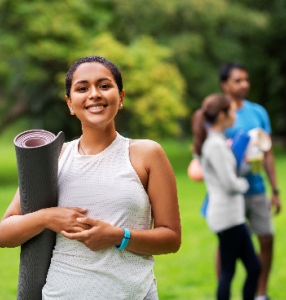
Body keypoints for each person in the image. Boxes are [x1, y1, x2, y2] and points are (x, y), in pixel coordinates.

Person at [0, 56, 181, 299]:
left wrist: (118, 236)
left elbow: (171, 238)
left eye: (104, 86)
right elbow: (4, 233)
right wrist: (47, 217)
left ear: (121, 97)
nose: (94, 94)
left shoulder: (147, 154)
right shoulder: (53, 159)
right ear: (70, 104)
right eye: (82, 88)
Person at [220, 62, 280, 300]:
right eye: (237, 80)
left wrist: (275, 190)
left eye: (246, 79)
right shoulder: (218, 113)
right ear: (224, 84)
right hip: (229, 193)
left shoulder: (258, 112)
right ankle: (224, 290)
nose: (244, 84)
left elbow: (269, 153)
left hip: (256, 188)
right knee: (227, 245)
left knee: (266, 237)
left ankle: (261, 293)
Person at [200, 93, 261, 300]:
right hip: (226, 218)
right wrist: (244, 184)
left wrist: (247, 164)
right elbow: (229, 183)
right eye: (232, 111)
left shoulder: (219, 141)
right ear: (222, 115)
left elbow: (229, 172)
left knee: (253, 268)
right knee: (229, 272)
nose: (235, 114)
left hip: (233, 217)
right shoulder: (215, 145)